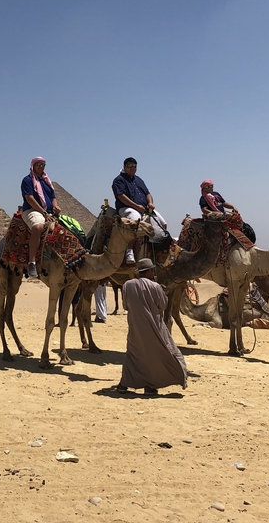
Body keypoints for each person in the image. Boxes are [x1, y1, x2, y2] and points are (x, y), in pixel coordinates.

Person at [115, 258, 188, 395]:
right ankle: (150, 385)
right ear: (149, 271)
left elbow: (125, 306)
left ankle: (124, 384)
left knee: (133, 354)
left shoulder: (127, 285)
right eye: (152, 270)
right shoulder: (155, 287)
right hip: (154, 327)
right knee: (158, 355)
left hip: (135, 326)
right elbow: (163, 305)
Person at [112, 157, 159, 265]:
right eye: (130, 166)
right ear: (124, 167)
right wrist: (136, 207)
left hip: (144, 208)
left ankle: (156, 251)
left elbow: (148, 193)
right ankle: (129, 251)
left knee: (162, 223)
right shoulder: (119, 180)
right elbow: (121, 196)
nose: (133, 168)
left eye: (134, 166)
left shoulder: (138, 180)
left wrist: (150, 202)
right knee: (135, 220)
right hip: (126, 208)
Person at [20, 156, 60, 278]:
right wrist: (44, 213)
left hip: (48, 212)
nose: (41, 166)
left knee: (72, 227)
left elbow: (53, 197)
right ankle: (32, 262)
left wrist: (55, 206)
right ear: (33, 165)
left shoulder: (46, 182)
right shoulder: (27, 180)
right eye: (39, 164)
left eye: (43, 164)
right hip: (32, 211)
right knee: (38, 227)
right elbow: (29, 199)